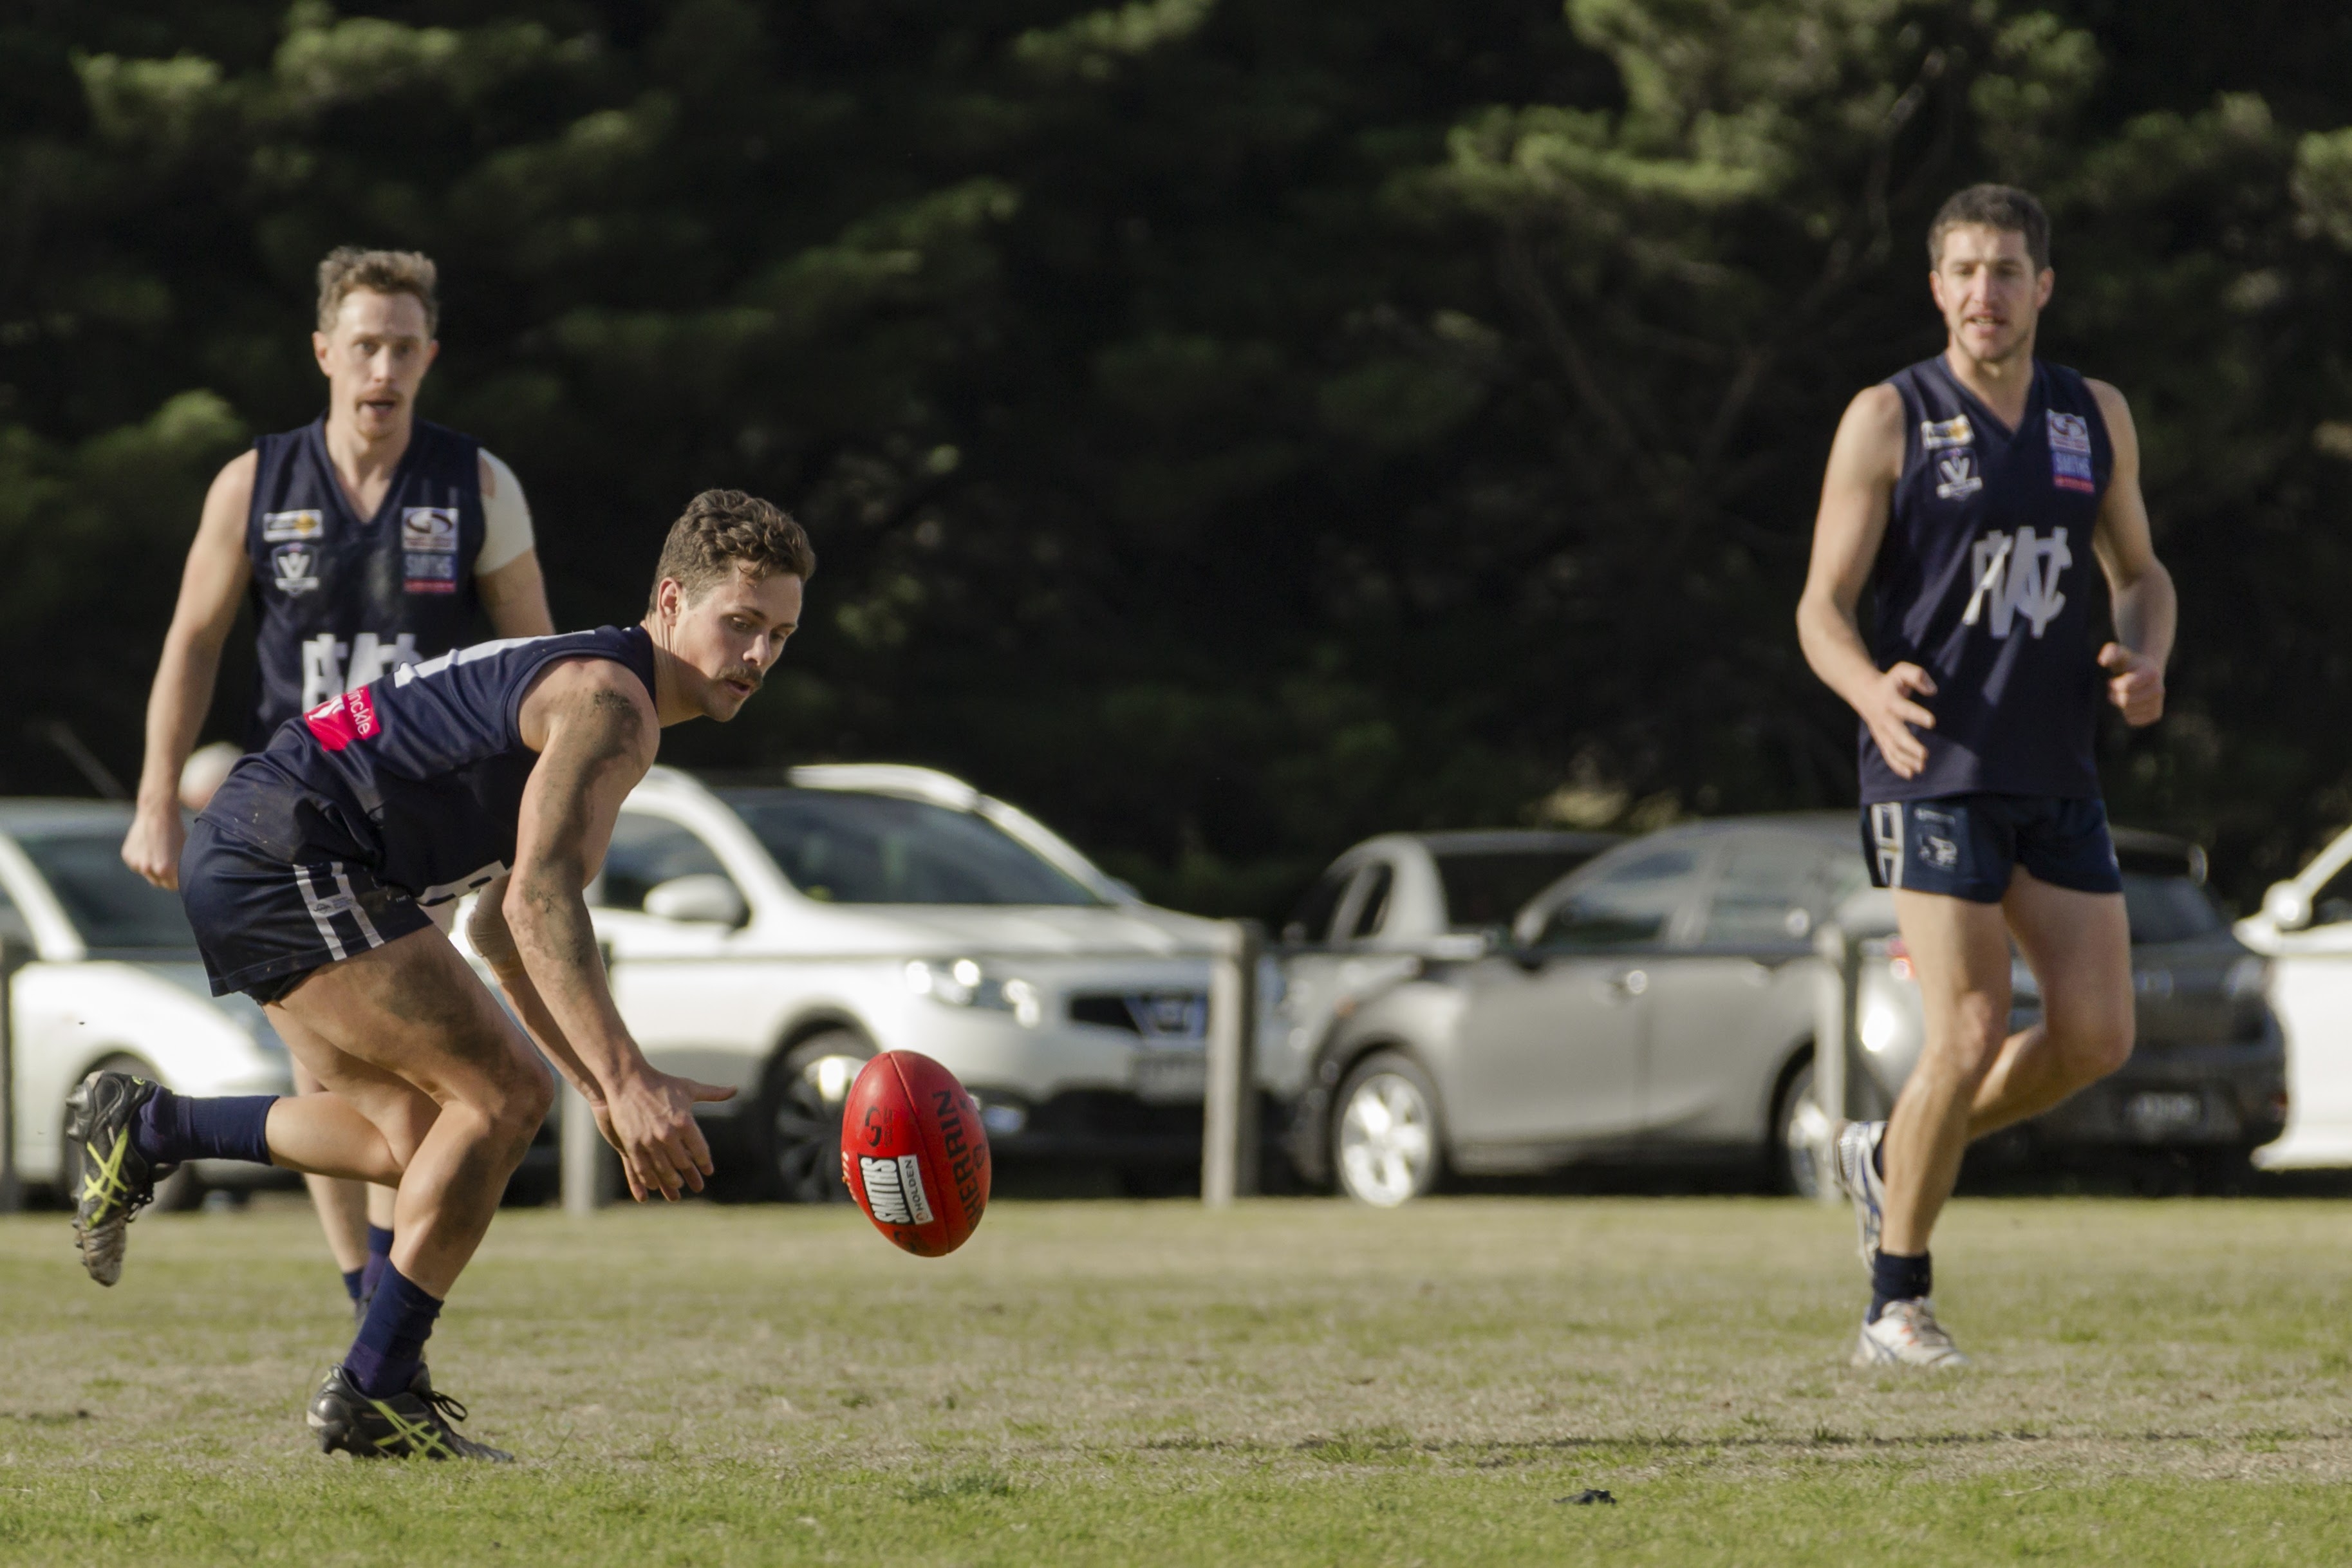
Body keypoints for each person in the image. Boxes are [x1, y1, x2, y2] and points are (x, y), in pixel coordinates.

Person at [68, 489, 809, 1460]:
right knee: (501, 1094)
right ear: (670, 601)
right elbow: (542, 906)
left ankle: (150, 1125)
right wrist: (626, 1082)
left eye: (781, 636)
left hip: (264, 843)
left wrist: (596, 1088)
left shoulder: (609, 694)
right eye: (740, 624)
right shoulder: (611, 705)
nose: (757, 657)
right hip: (292, 850)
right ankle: (374, 1393)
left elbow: (501, 930)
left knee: (411, 1138)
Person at [120, 248, 555, 1323]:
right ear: (324, 353)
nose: (384, 366)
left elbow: (540, 665)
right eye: (365, 343)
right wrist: (154, 796)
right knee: (335, 1079)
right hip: (293, 824)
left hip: (422, 827)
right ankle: (368, 1299)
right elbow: (192, 643)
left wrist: (530, 840)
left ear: (430, 357)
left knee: (417, 1093)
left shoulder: (476, 488)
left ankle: (369, 1299)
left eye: (404, 346)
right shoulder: (256, 485)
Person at [1795, 184, 2175, 1368]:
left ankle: (1881, 1153)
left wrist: (2147, 657)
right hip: (1932, 767)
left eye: (2006, 270)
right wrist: (1867, 691)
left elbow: (2141, 573)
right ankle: (1893, 1305)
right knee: (1963, 1028)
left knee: (2095, 1039)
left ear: (2042, 285)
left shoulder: (2090, 413)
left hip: (2053, 761)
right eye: (1962, 271)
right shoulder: (1886, 416)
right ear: (1935, 287)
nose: (1984, 293)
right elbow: (1819, 608)